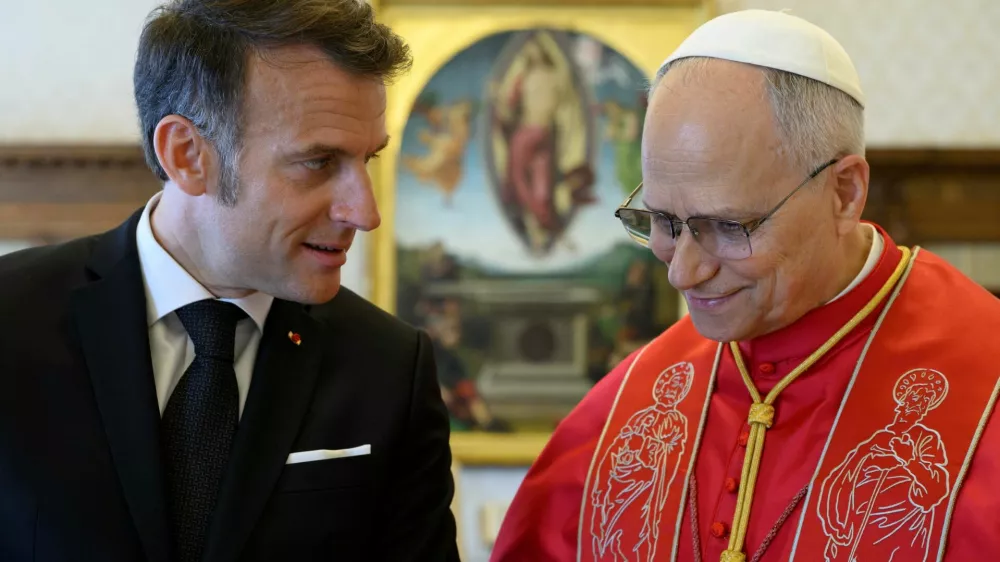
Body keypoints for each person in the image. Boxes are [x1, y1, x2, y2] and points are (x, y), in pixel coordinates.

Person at [491, 9, 1000, 562]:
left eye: (728, 227)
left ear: (845, 193)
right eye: (662, 222)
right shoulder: (622, 410)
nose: (682, 272)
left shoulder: (986, 385)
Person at [0, 1, 458, 561]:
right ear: (187, 154)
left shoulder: (391, 368)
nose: (364, 211)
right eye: (318, 162)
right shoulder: (9, 320)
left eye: (369, 160)